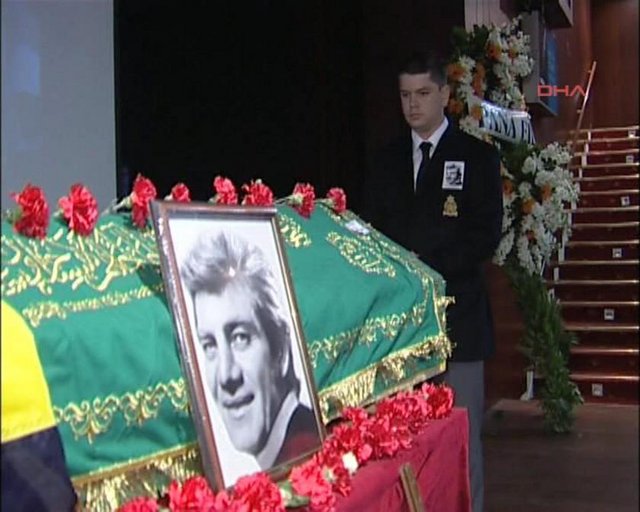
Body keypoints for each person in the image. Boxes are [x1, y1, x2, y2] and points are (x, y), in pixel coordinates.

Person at [360, 51, 503, 512]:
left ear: (444, 94)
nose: (413, 104)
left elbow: (485, 234)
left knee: (461, 441)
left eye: (423, 93)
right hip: (400, 330)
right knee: (404, 444)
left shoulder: (477, 158)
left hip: (458, 323)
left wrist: (426, 266)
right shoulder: (385, 161)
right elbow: (369, 231)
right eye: (405, 95)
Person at [180, 231, 320, 471]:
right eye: (209, 345)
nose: (226, 376)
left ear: (280, 352)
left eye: (240, 338)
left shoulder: (307, 453)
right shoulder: (279, 458)